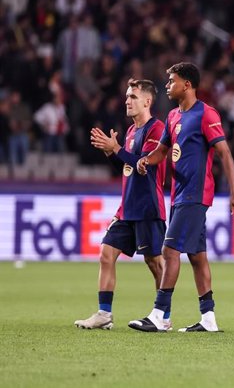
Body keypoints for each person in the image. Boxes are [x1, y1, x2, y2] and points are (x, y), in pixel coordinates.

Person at [128, 62, 234, 333]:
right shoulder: (172, 117)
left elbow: (225, 153)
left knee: (170, 251)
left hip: (195, 193)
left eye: (171, 81)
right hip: (179, 195)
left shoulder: (206, 114)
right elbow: (162, 151)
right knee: (197, 257)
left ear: (187, 85)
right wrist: (147, 160)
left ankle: (159, 315)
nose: (167, 86)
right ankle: (208, 319)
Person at [74, 79, 167, 330]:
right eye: (127, 96)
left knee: (154, 262)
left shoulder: (156, 129)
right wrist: (111, 152)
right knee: (106, 253)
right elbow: (127, 167)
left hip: (148, 206)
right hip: (127, 207)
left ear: (147, 101)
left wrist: (117, 149)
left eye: (133, 96)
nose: (127, 100)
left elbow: (143, 164)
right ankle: (104, 314)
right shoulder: (131, 132)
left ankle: (163, 315)